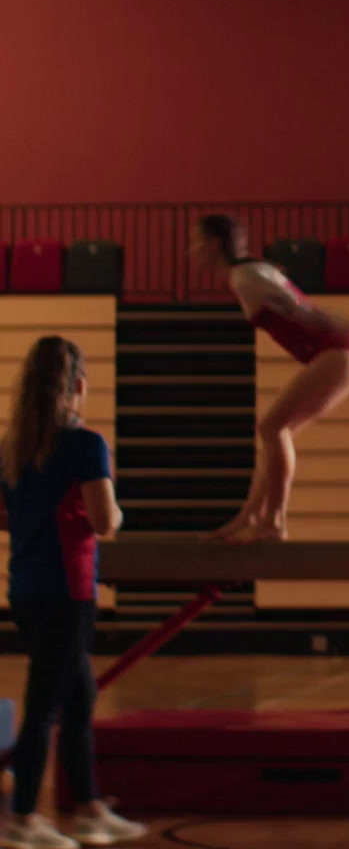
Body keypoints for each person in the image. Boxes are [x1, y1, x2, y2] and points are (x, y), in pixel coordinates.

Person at [0, 336, 147, 849]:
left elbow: (5, 517)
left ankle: (87, 808)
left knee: (80, 699)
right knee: (44, 707)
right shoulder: (84, 445)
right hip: (68, 589)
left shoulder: (12, 447)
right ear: (78, 386)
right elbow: (106, 521)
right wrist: (113, 512)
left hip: (26, 588)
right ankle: (21, 818)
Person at [190, 215, 349, 542]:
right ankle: (250, 517)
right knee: (273, 437)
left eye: (197, 241)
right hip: (342, 351)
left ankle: (274, 521)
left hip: (341, 350)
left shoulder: (245, 276)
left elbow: (305, 312)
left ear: (215, 244)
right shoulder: (250, 272)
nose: (193, 250)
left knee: (272, 428)